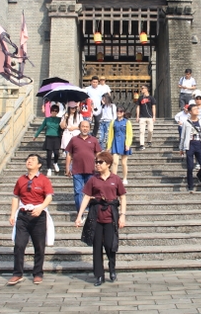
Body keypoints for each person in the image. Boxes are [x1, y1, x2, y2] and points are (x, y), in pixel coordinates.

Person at [75, 151, 127, 286]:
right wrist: (79, 215)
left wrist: (122, 215)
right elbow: (86, 197)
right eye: (96, 162)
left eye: (100, 162)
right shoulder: (93, 179)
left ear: (108, 164)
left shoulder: (115, 179)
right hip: (96, 216)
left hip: (110, 216)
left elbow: (122, 197)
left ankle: (112, 268)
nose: (97, 164)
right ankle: (99, 275)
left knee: (110, 245)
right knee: (97, 247)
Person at [7, 154, 53, 285]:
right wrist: (12, 214)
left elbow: (49, 196)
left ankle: (38, 273)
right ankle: (17, 273)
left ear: (39, 165)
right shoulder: (21, 179)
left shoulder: (44, 180)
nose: (29, 161)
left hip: (38, 216)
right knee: (19, 245)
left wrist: (41, 208)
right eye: (28, 159)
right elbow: (16, 197)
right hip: (23, 215)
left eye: (33, 160)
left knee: (39, 246)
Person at [65, 121, 102, 213]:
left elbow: (98, 154)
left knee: (90, 192)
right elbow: (69, 154)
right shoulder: (74, 139)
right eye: (83, 126)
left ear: (89, 128)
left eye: (87, 127)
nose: (85, 128)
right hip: (77, 170)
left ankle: (89, 210)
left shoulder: (93, 140)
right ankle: (80, 212)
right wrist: (67, 167)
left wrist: (100, 166)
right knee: (78, 192)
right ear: (79, 127)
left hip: (90, 170)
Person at [179, 104, 201, 193]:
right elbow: (183, 136)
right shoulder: (186, 122)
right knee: (190, 167)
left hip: (199, 144)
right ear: (190, 112)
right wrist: (181, 148)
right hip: (190, 145)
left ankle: (199, 175)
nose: (197, 110)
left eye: (197, 109)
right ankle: (190, 186)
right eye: (194, 109)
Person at [33, 104, 62, 175]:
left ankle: (55, 163)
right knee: (49, 154)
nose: (54, 112)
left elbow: (63, 127)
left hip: (56, 137)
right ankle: (49, 168)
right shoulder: (47, 119)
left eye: (56, 111)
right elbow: (41, 127)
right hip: (49, 137)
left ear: (57, 112)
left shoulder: (59, 119)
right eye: (53, 110)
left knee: (56, 153)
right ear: (51, 111)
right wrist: (36, 135)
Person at [107, 107, 133, 184]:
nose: (119, 112)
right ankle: (114, 178)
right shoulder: (113, 122)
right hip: (115, 142)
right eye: (118, 111)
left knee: (124, 163)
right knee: (115, 162)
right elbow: (110, 135)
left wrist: (128, 144)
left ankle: (125, 178)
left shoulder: (127, 122)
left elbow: (129, 134)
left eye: (121, 111)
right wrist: (108, 146)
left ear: (123, 113)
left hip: (124, 142)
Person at [135, 84, 156, 150]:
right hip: (142, 117)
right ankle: (142, 144)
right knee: (142, 131)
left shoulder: (151, 98)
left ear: (146, 89)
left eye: (142, 88)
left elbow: (153, 107)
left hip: (150, 116)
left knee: (150, 130)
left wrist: (154, 116)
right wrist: (137, 116)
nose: (141, 89)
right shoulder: (140, 98)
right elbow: (138, 107)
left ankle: (149, 140)